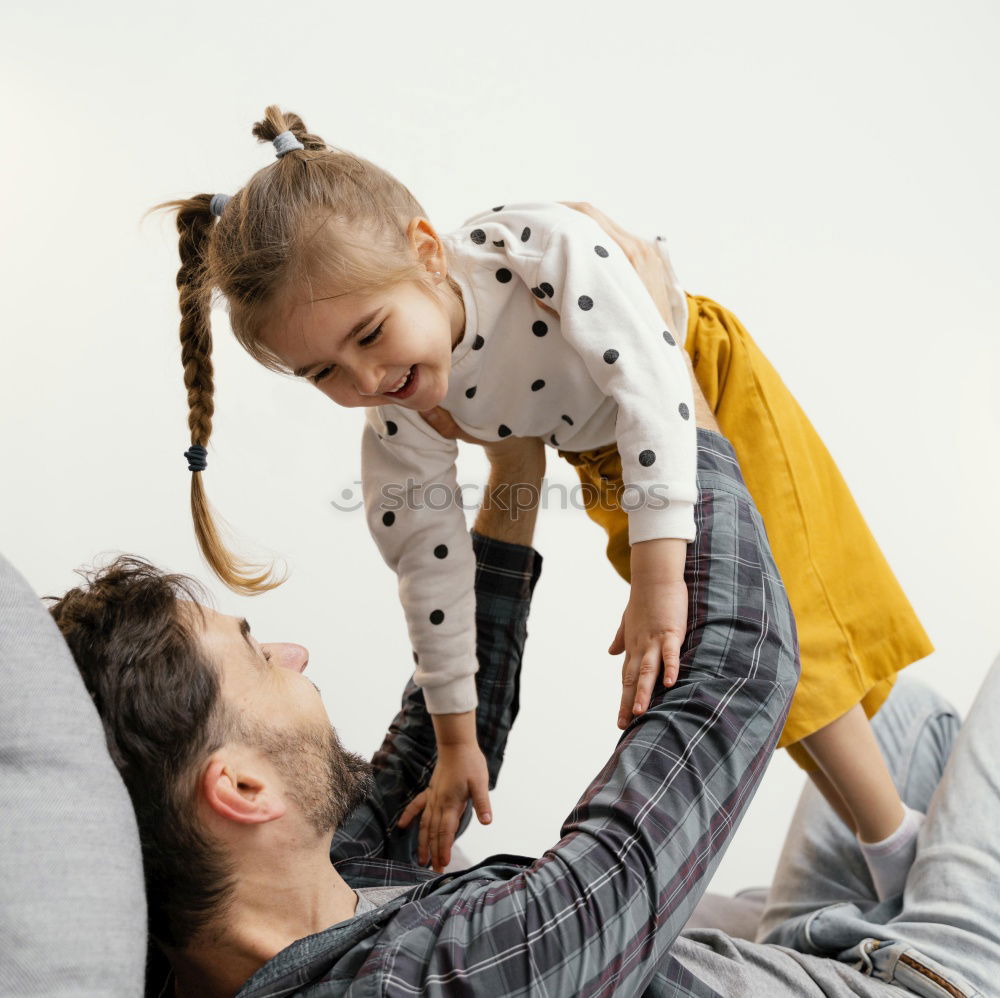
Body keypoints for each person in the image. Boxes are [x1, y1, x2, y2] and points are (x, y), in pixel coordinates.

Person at [149, 104, 933, 889]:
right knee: (720, 643)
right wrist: (459, 741)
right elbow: (433, 579)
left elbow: (653, 388)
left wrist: (658, 581)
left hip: (693, 389)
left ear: (426, 255)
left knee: (792, 617)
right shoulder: (405, 415)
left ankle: (891, 837)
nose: (363, 381)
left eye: (369, 334)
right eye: (322, 373)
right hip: (608, 457)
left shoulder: (536, 248)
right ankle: (884, 841)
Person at [47, 375, 996, 998]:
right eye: (256, 657)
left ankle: (878, 899)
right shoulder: (441, 985)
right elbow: (738, 680)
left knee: (907, 721)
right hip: (923, 987)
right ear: (241, 789)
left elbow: (448, 744)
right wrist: (676, 403)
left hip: (779, 954)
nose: (293, 654)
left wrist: (512, 463)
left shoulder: (279, 914)